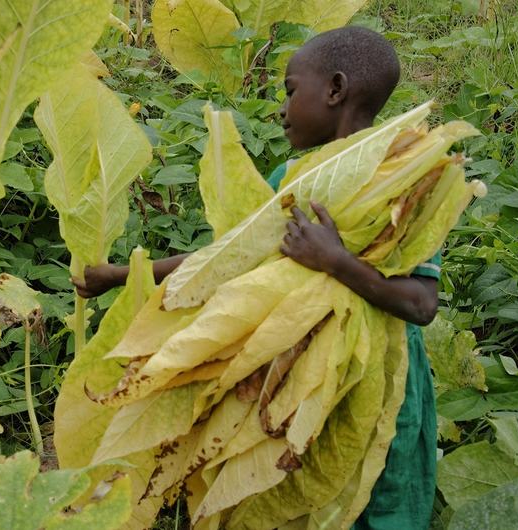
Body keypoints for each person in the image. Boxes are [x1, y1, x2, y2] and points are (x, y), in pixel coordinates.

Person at [73, 26, 439, 529]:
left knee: (373, 487)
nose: (282, 109)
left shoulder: (402, 175)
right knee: (282, 487)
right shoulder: (290, 182)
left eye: (291, 90)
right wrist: (120, 275)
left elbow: (421, 303)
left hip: (373, 378)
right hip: (285, 374)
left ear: (334, 89)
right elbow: (224, 258)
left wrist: (336, 261)